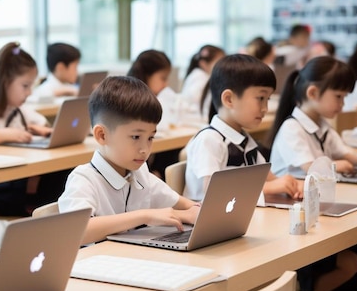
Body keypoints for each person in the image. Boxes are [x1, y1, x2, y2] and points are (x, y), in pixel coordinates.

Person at [58, 75, 201, 291]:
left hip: (134, 290)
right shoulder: (83, 179)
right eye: (135, 137)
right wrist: (146, 215)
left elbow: (181, 204)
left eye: (150, 137)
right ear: (102, 136)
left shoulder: (139, 172)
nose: (145, 149)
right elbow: (79, 231)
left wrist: (195, 212)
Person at [269, 56, 357, 291]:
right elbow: (311, 168)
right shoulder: (292, 129)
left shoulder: (322, 126)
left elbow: (346, 153)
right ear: (313, 93)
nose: (342, 104)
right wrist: (339, 166)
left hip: (321, 214)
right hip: (295, 223)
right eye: (339, 96)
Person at [183, 54, 302, 202]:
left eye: (268, 99)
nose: (265, 108)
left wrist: (292, 186)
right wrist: (271, 187)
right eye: (260, 98)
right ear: (229, 99)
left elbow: (270, 178)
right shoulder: (209, 140)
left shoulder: (245, 141)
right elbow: (212, 190)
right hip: (209, 222)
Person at [0, 42, 59, 216]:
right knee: (57, 182)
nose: (29, 92)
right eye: (25, 86)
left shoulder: (17, 108)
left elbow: (42, 123)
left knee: (64, 174)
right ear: (4, 82)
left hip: (18, 179)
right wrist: (2, 134)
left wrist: (39, 129)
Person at [127, 49, 179, 179]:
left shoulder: (151, 98)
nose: (166, 84)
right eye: (163, 78)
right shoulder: (130, 100)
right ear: (147, 75)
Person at [181, 45, 225, 118]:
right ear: (203, 64)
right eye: (219, 62)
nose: (223, 66)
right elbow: (195, 104)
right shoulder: (200, 77)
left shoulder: (200, 75)